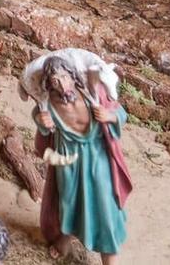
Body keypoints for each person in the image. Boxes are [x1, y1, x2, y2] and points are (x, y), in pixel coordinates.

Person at [24, 49, 133, 264]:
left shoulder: (93, 94)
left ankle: (109, 258)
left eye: (64, 78)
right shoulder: (48, 106)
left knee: (105, 207)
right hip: (69, 162)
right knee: (70, 204)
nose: (62, 86)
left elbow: (121, 114)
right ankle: (64, 240)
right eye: (55, 81)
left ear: (73, 76)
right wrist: (41, 122)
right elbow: (42, 128)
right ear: (49, 84)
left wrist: (109, 116)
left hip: (97, 157)